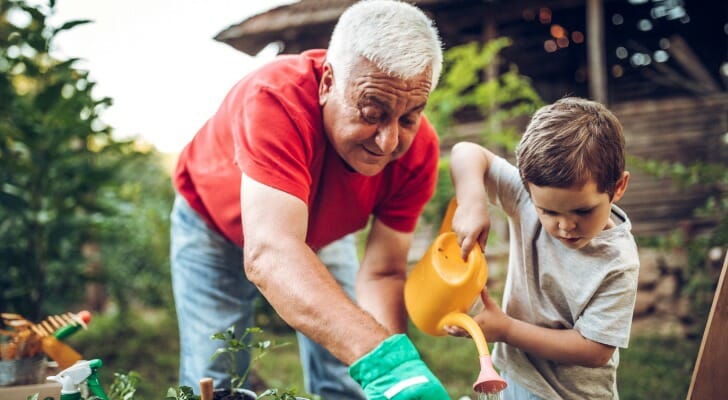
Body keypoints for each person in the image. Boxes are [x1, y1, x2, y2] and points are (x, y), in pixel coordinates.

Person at [170, 1, 450, 399]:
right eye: (372, 112)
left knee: (348, 375)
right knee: (216, 374)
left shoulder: (418, 152)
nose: (388, 141)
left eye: (408, 118)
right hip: (211, 225)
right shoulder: (275, 100)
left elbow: (382, 274)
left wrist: (401, 368)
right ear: (327, 83)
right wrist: (384, 360)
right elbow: (272, 253)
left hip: (319, 234)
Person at [447, 97, 640, 399]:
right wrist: (473, 201)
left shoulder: (618, 262)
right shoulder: (526, 197)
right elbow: (465, 152)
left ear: (618, 187)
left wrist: (506, 330)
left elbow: (595, 350)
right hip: (511, 377)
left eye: (582, 211)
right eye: (549, 212)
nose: (565, 226)